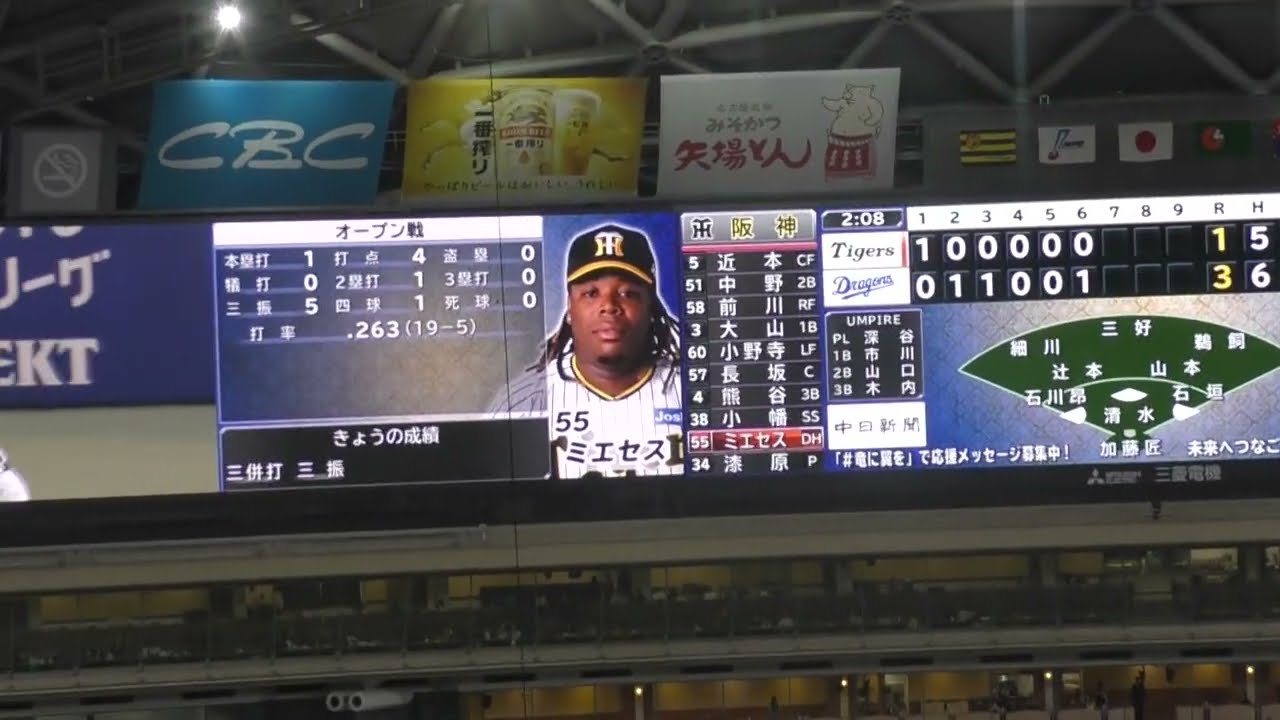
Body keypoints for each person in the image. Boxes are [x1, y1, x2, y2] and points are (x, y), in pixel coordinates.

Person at [493, 223, 683, 478]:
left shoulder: (693, 390)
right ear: (570, 308)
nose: (609, 306)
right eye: (591, 293)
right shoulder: (524, 402)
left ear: (650, 306)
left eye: (628, 293)